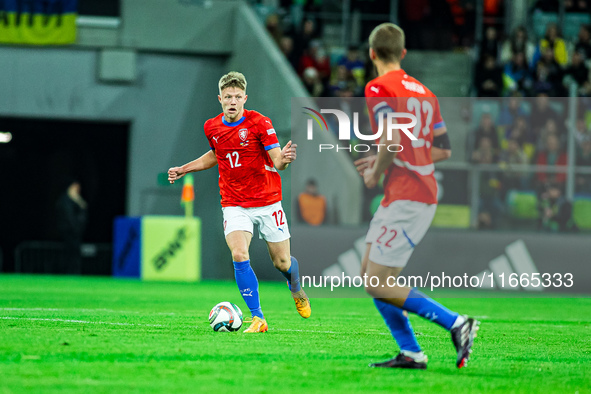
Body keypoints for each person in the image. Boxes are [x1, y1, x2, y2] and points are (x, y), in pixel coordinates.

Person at [354, 23, 479, 370]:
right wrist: (404, 158)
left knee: (377, 282)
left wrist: (374, 172)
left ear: (372, 53)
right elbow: (443, 149)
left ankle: (456, 323)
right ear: (403, 53)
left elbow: (391, 139)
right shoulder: (425, 93)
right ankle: (411, 352)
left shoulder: (378, 86)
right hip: (407, 192)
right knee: (371, 276)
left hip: (409, 195)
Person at [167, 72, 311, 333]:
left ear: (245, 98)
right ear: (220, 98)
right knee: (238, 253)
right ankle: (258, 318)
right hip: (234, 203)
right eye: (228, 97)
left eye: (237, 97)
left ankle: (297, 288)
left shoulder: (259, 123)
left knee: (283, 263)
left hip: (267, 202)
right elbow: (216, 154)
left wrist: (287, 158)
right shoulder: (211, 127)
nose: (233, 101)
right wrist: (185, 168)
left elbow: (278, 162)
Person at [56, 179, 87, 274]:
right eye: (75, 186)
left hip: (75, 232)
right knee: (68, 254)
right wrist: (75, 228)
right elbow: (69, 218)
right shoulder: (65, 200)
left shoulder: (76, 200)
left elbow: (83, 215)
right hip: (68, 232)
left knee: (75, 254)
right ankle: (67, 272)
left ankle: (74, 272)